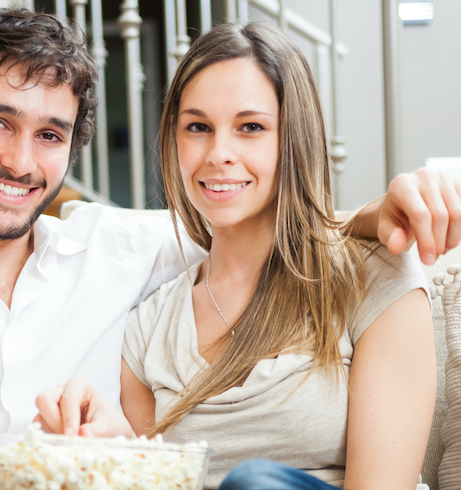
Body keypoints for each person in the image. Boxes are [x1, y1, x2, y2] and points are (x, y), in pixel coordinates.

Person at [0, 9, 461, 490]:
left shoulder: (115, 247)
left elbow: (255, 217)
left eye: (49, 135)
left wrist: (377, 216)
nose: (19, 160)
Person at [34, 22, 438, 489]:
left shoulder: (374, 277)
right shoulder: (147, 329)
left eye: (251, 127)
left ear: (293, 138)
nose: (219, 153)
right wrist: (114, 445)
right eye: (198, 127)